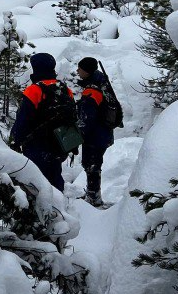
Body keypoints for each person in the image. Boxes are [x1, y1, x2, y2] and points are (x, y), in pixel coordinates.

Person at [9, 52, 78, 191]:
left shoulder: (34, 90)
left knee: (36, 182)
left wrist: (14, 141)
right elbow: (72, 117)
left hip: (37, 145)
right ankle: (60, 207)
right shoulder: (64, 89)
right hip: (60, 142)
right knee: (55, 175)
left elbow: (23, 120)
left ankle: (42, 209)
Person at [76, 56, 115, 206]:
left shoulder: (92, 91)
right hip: (103, 132)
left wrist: (79, 136)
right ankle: (93, 195)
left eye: (80, 68)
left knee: (91, 165)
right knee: (94, 165)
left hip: (95, 136)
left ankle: (93, 198)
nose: (77, 71)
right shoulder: (102, 83)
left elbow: (87, 119)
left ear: (87, 71)